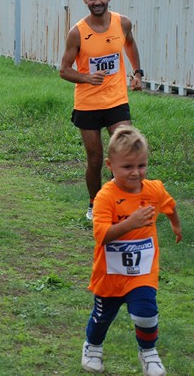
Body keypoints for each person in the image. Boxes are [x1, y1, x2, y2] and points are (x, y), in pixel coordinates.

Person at [80, 125, 182, 375]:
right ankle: (92, 346)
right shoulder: (106, 197)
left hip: (142, 271)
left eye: (142, 165)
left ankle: (148, 352)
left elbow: (169, 205)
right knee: (102, 318)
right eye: (127, 167)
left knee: (146, 315)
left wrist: (176, 225)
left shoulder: (153, 190)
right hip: (110, 273)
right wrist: (130, 223)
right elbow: (101, 236)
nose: (136, 173)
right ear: (110, 165)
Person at [59, 0, 143, 220]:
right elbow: (64, 70)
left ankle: (126, 203)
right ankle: (95, 204)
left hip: (117, 100)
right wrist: (86, 78)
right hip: (88, 104)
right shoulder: (77, 32)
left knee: (126, 151)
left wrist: (137, 72)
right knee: (95, 159)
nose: (97, 1)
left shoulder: (122, 23)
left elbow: (129, 45)